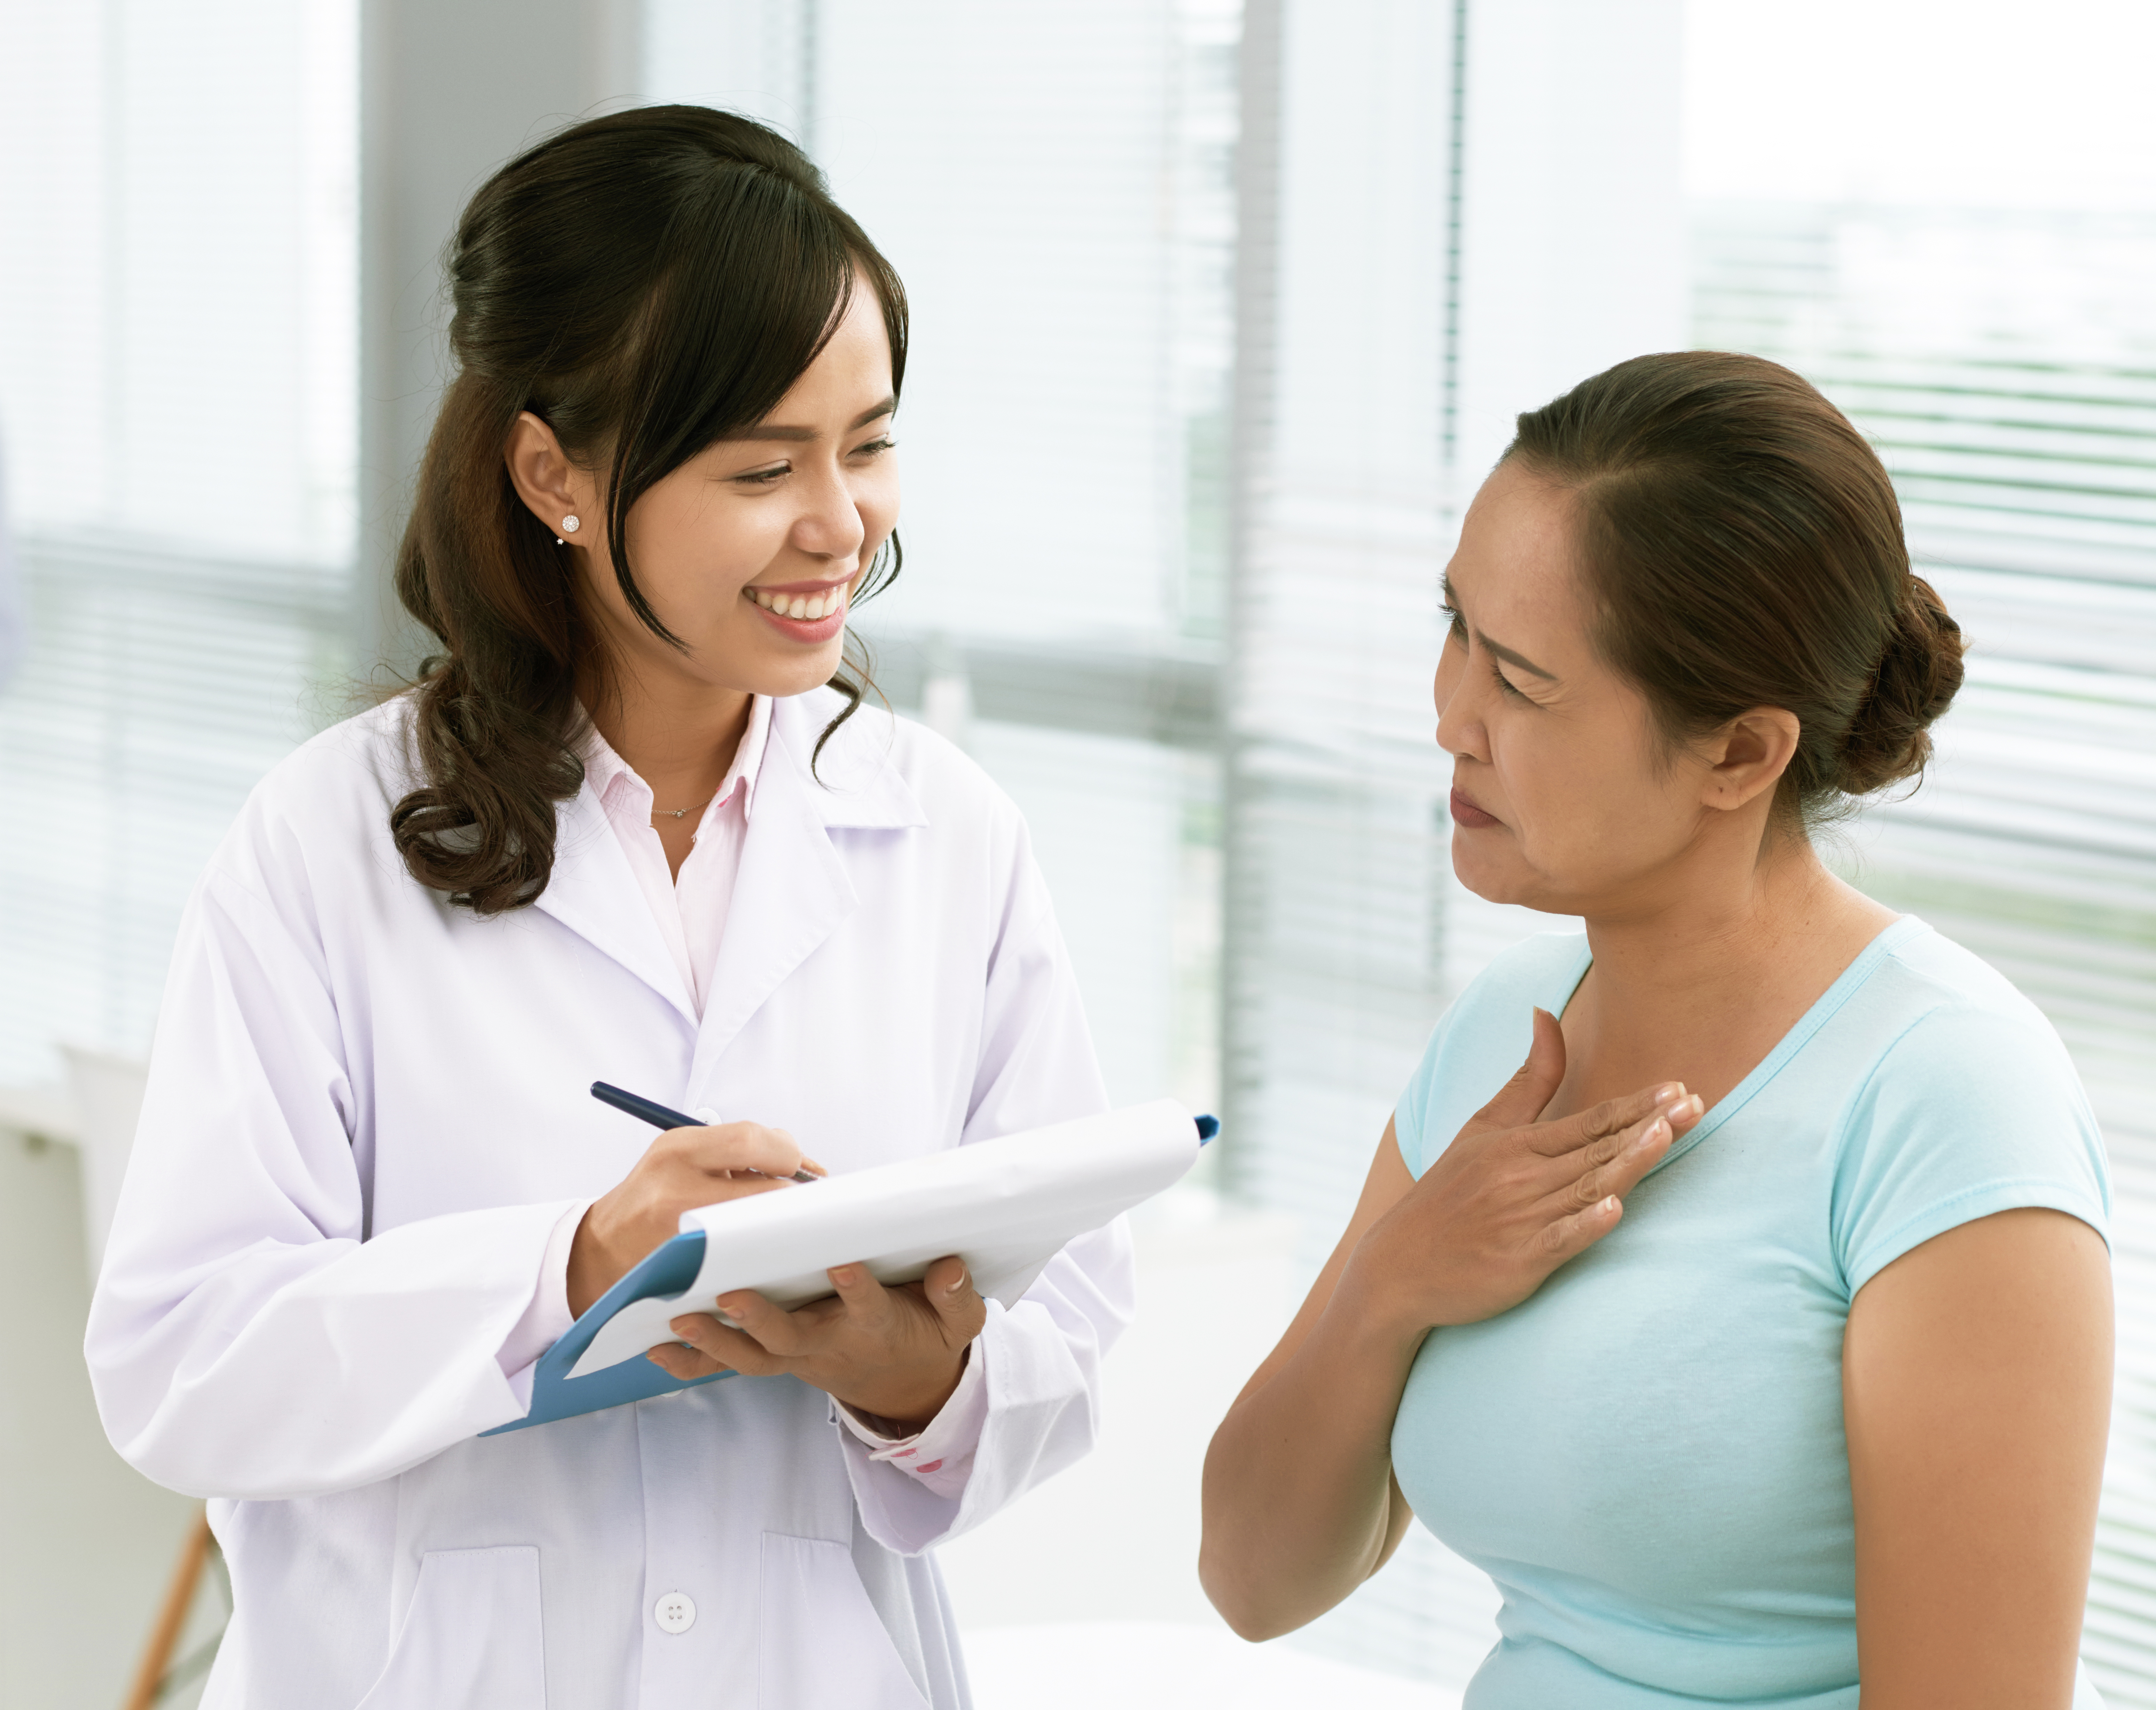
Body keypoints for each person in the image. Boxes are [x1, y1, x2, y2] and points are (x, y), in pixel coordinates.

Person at [86, 108, 1125, 1710]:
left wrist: (924, 1382)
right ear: (553, 472)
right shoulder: (325, 844)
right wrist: (572, 1268)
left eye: (868, 443)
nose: (840, 522)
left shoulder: (949, 843)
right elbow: (183, 1368)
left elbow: (1074, 1331)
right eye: (762, 466)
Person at [1200, 352, 2113, 1709]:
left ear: (1740, 754)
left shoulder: (1947, 1099)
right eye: (1452, 626)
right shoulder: (1501, 1041)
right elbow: (1256, 1578)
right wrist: (1394, 1279)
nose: (1448, 714)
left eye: (1518, 679)